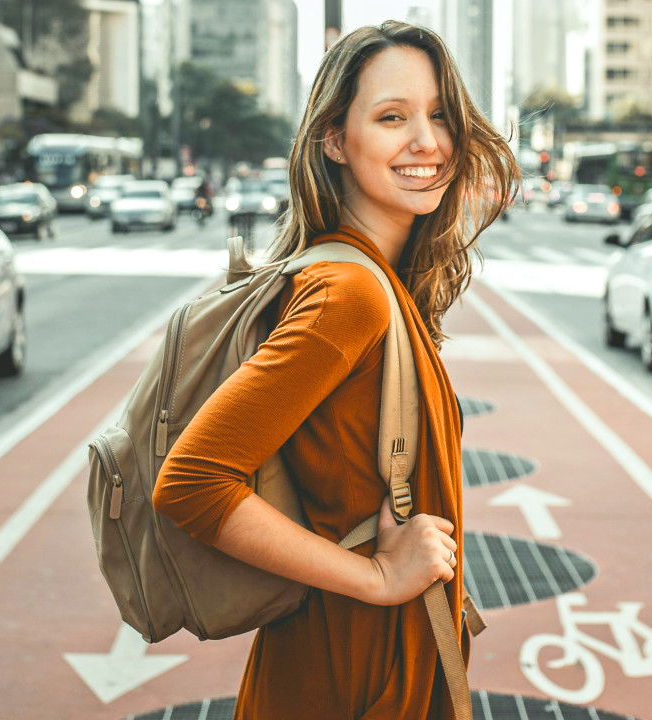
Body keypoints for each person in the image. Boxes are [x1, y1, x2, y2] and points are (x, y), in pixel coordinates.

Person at [151, 20, 517, 720]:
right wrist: (378, 576)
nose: (428, 142)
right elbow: (192, 482)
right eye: (391, 117)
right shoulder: (348, 293)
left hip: (367, 661)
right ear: (334, 140)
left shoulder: (373, 279)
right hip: (350, 673)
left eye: (440, 114)